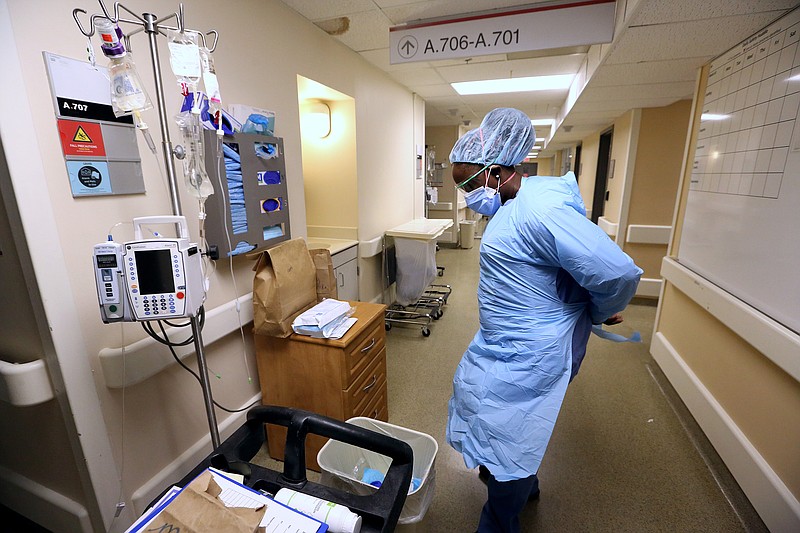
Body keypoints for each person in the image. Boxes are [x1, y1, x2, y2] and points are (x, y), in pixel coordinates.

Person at [446, 108, 642, 533]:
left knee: (510, 432)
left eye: (468, 183)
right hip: (505, 340)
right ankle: (522, 482)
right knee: (484, 408)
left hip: (533, 352)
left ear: (497, 171)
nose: (466, 195)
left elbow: (617, 272)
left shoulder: (540, 209)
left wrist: (601, 308)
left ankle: (500, 517)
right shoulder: (513, 203)